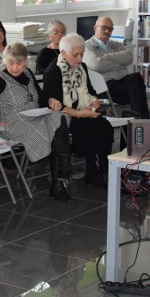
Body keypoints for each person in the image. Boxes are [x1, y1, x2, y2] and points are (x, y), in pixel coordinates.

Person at [0, 42, 74, 202]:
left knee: (59, 115)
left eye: (19, 63)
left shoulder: (28, 73)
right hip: (14, 124)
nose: (15, 67)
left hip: (35, 117)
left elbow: (41, 98)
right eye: (11, 63)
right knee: (55, 127)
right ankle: (62, 176)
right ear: (5, 62)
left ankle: (59, 179)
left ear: (26, 61)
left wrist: (50, 100)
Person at [43, 33, 115, 187]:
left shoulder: (81, 67)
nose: (80, 59)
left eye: (82, 54)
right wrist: (79, 114)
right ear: (63, 53)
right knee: (93, 127)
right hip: (65, 117)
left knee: (105, 126)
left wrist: (94, 102)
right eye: (75, 55)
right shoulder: (53, 71)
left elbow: (90, 90)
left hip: (83, 112)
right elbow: (55, 105)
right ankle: (92, 170)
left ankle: (104, 168)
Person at [83, 16, 150, 118]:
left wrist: (106, 57)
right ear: (95, 28)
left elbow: (129, 57)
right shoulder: (86, 46)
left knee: (136, 78)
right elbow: (96, 64)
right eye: (104, 27)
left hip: (122, 80)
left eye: (110, 29)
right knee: (137, 92)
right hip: (105, 86)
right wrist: (119, 61)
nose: (107, 31)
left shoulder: (115, 44)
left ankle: (137, 117)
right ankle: (141, 119)